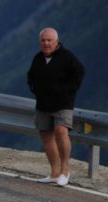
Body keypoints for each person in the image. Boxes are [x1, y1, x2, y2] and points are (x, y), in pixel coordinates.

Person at [27, 27, 84, 187]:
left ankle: (65, 171)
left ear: (57, 41)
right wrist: (35, 89)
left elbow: (79, 72)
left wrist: (67, 91)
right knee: (46, 136)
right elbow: (30, 76)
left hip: (63, 103)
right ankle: (54, 172)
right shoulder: (38, 59)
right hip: (43, 104)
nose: (46, 43)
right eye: (43, 40)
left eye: (49, 40)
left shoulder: (67, 57)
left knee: (61, 131)